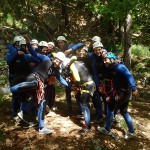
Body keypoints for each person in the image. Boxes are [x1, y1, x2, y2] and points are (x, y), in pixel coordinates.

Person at [10, 36, 69, 134]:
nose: (57, 62)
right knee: (35, 84)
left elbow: (61, 79)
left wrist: (70, 85)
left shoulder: (56, 70)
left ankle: (31, 118)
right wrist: (28, 43)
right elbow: (34, 53)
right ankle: (10, 90)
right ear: (54, 58)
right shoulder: (46, 59)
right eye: (57, 60)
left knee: (41, 101)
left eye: (60, 62)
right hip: (33, 78)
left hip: (38, 85)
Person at [97, 52, 139, 139]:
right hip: (124, 93)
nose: (105, 61)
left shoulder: (119, 67)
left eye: (106, 59)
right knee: (124, 112)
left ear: (112, 59)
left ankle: (107, 129)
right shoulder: (114, 67)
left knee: (110, 108)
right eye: (104, 60)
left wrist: (134, 88)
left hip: (122, 93)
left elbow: (129, 76)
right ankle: (132, 131)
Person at [6, 37, 40, 122]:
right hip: (14, 78)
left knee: (23, 96)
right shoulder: (13, 53)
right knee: (15, 96)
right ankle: (15, 114)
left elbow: (38, 61)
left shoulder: (27, 56)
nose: (28, 48)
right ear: (22, 46)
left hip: (24, 79)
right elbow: (8, 61)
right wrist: (17, 53)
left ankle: (22, 112)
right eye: (26, 46)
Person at [63, 57, 96, 135]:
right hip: (90, 84)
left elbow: (77, 78)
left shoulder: (72, 65)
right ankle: (87, 121)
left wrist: (75, 85)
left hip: (87, 85)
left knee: (84, 104)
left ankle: (88, 126)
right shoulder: (80, 63)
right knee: (85, 104)